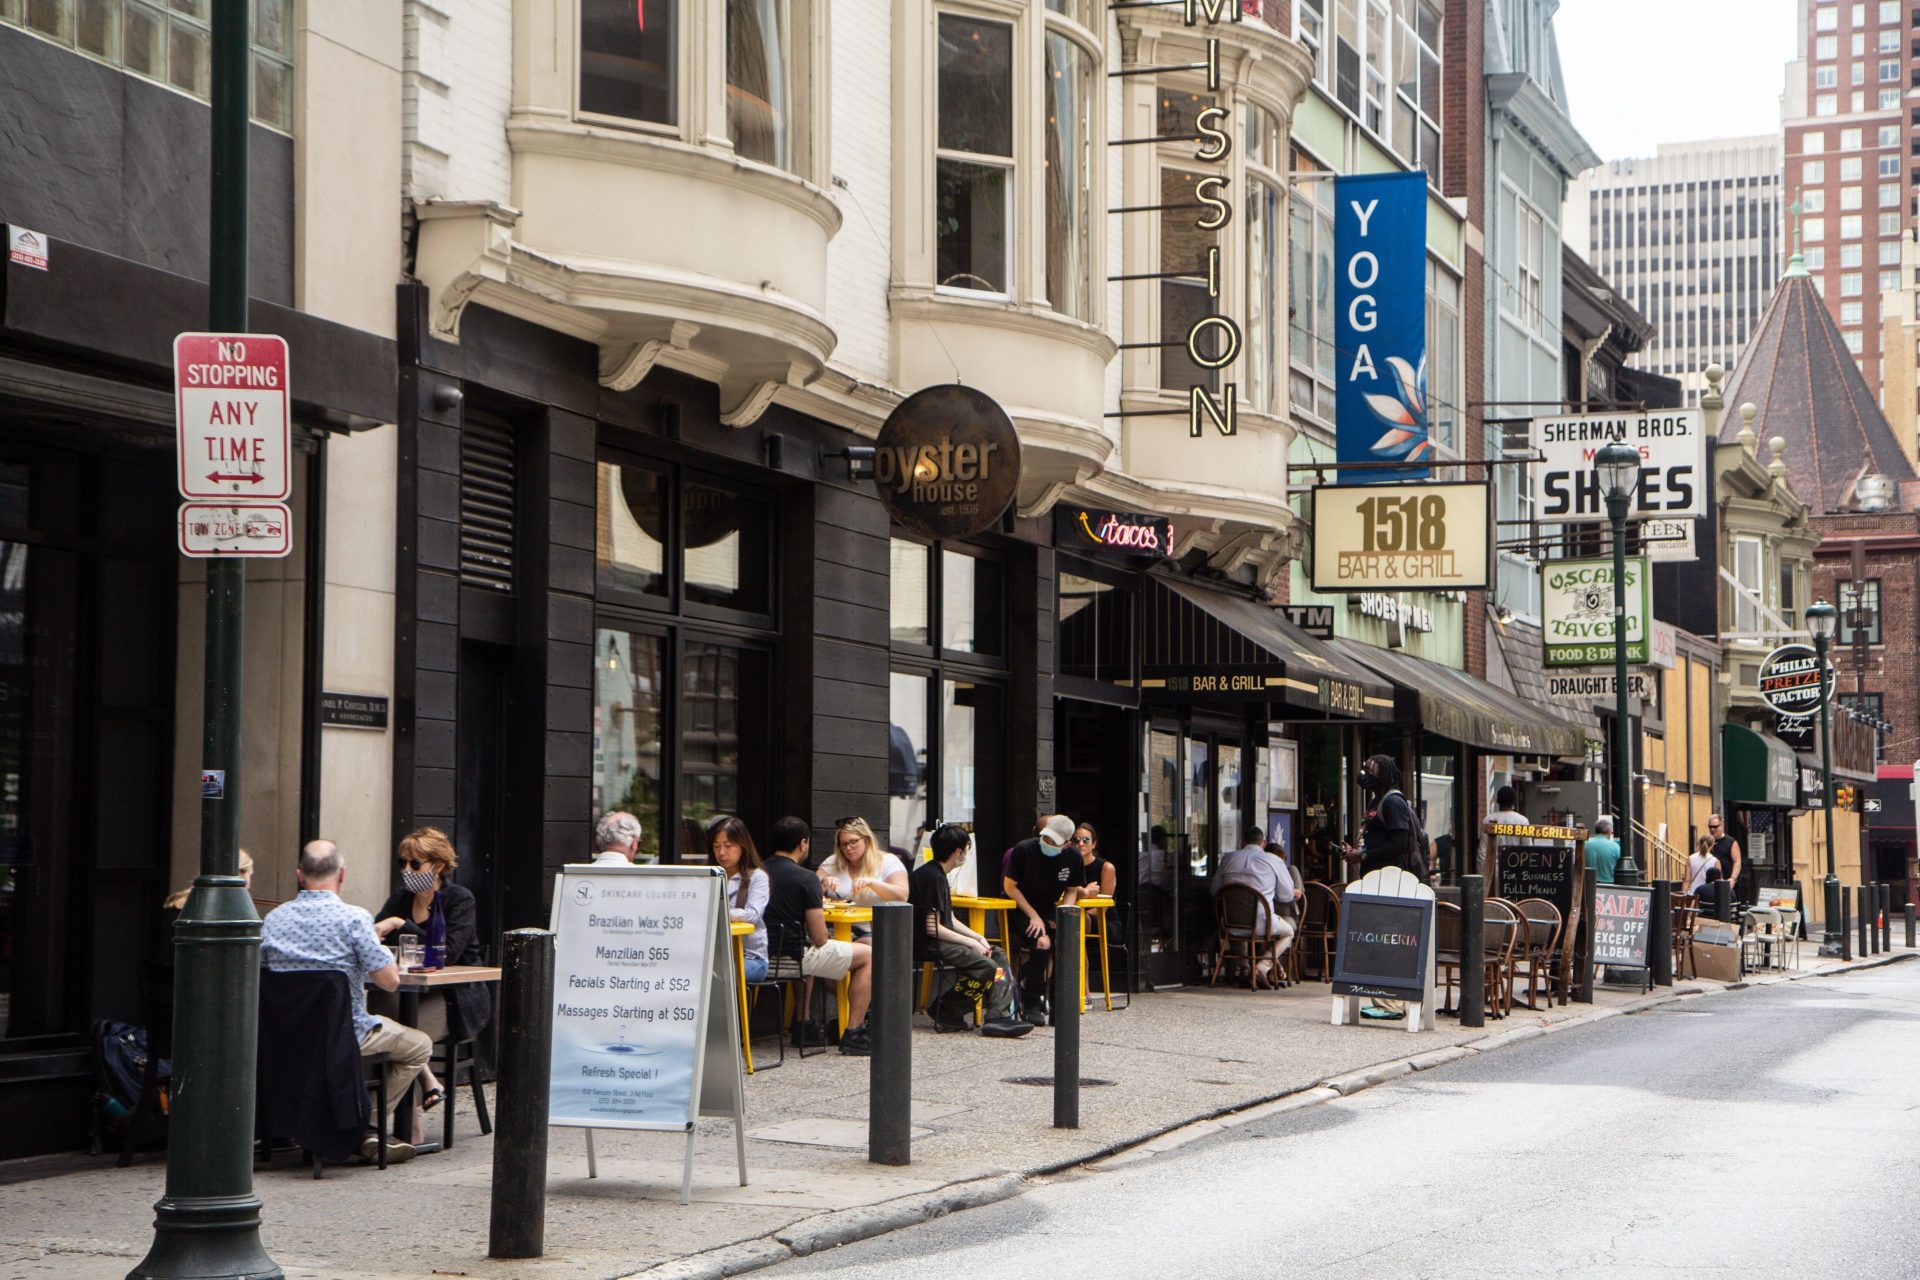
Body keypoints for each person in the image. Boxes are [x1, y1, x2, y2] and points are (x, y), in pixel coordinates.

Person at [261, 839, 431, 1163]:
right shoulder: (353, 918)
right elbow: (390, 982)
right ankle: (363, 1127)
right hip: (345, 1035)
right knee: (419, 1045)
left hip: (285, 1037)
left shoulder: (273, 920)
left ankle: (339, 1123)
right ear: (342, 874)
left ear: (300, 875)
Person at [371, 827, 489, 1124]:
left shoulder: (459, 899)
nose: (407, 871)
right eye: (402, 863)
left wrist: (401, 925)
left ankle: (400, 1122)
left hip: (454, 998)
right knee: (381, 1013)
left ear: (437, 865)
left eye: (415, 864)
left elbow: (446, 953)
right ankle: (426, 1086)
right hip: (405, 994)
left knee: (393, 1027)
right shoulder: (400, 897)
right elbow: (372, 938)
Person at [762, 816, 874, 1055]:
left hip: (757, 957)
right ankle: (854, 1032)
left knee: (805, 949)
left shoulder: (756, 871)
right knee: (868, 955)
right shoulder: (806, 878)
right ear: (803, 844)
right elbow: (820, 937)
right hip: (792, 959)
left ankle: (805, 1025)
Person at [910, 824, 1033, 1037]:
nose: (965, 855)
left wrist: (977, 937)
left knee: (998, 956)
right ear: (958, 851)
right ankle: (947, 1010)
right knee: (987, 966)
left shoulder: (937, 874)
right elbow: (933, 927)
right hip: (929, 942)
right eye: (965, 850)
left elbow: (949, 918)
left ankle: (999, 1015)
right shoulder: (931, 877)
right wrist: (972, 943)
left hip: (939, 939)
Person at [1340, 755, 1421, 1019]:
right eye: (1363, 768)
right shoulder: (1376, 800)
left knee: (1390, 940)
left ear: (1384, 773)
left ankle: (1393, 1005)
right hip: (1374, 878)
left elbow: (1399, 843)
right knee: (1376, 939)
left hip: (1390, 880)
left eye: (1369, 769)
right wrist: (1358, 851)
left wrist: (1363, 856)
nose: (1364, 773)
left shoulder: (1393, 801)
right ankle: (1381, 999)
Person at [1003, 814, 1089, 1015]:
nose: (1047, 843)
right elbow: (1009, 887)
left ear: (1067, 844)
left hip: (1049, 907)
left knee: (1064, 942)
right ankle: (1031, 1000)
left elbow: (1071, 889)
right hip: (1020, 906)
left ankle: (1059, 1004)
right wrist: (1033, 915)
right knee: (1043, 942)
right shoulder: (1024, 849)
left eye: (1054, 842)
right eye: (1046, 837)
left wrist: (1064, 916)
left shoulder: (1073, 858)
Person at [1215, 824, 1296, 986]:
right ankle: (1262, 966)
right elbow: (1286, 896)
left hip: (1231, 923)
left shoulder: (1228, 859)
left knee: (1238, 924)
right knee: (1289, 932)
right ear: (1264, 843)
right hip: (1262, 923)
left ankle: (1244, 966)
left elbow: (1215, 890)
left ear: (1241, 841)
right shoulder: (1274, 861)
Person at [818, 817, 909, 939]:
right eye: (843, 844)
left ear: (866, 839)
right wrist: (823, 883)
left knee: (865, 950)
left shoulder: (888, 861)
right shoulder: (833, 861)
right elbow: (809, 891)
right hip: (836, 929)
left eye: (853, 842)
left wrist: (872, 883)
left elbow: (902, 896)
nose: (848, 848)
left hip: (875, 931)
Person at [710, 816, 769, 983]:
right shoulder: (710, 875)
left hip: (750, 958)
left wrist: (719, 914)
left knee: (718, 978)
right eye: (716, 846)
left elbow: (753, 915)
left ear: (742, 845)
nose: (721, 852)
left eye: (728, 846)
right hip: (714, 958)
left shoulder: (757, 877)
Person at [1065, 822, 1116, 901]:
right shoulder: (1067, 865)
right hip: (1072, 911)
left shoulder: (1106, 867)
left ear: (1094, 844)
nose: (1081, 844)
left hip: (1098, 912)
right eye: (1076, 840)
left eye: (1086, 840)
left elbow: (1105, 903)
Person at [1706, 813, 1743, 893]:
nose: (1712, 829)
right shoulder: (1705, 841)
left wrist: (1733, 878)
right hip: (1708, 884)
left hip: (1726, 883)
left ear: (1722, 825)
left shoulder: (1731, 842)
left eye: (1715, 827)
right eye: (1710, 827)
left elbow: (1737, 862)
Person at [1584, 816, 1622, 886]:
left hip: (1587, 884)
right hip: (1608, 885)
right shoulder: (1615, 846)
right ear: (1608, 832)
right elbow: (1620, 866)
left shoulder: (1585, 844)